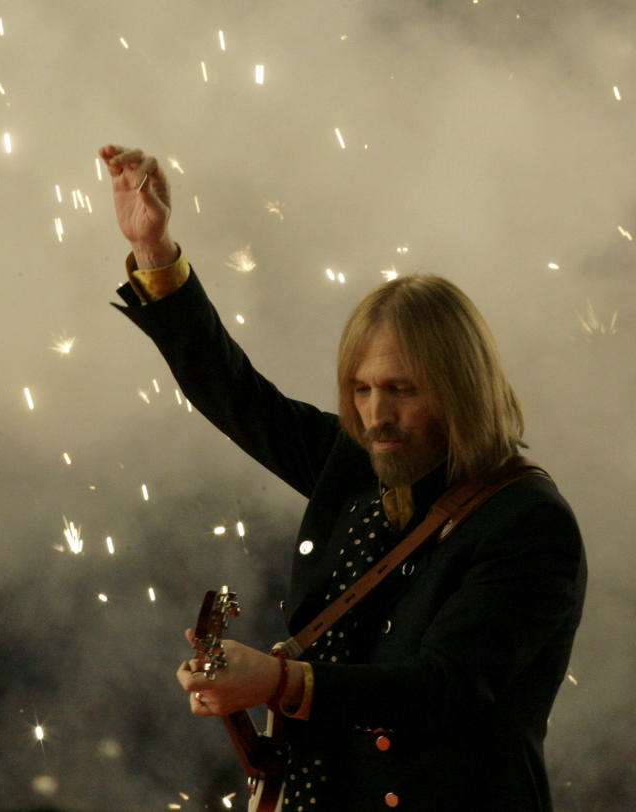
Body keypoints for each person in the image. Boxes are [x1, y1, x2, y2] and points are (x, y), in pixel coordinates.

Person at [99, 144, 587, 812]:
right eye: (359, 389)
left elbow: (437, 688)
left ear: (460, 389)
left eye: (401, 390)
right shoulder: (356, 461)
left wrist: (276, 681)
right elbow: (237, 393)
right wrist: (156, 253)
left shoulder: (528, 521)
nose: (374, 415)